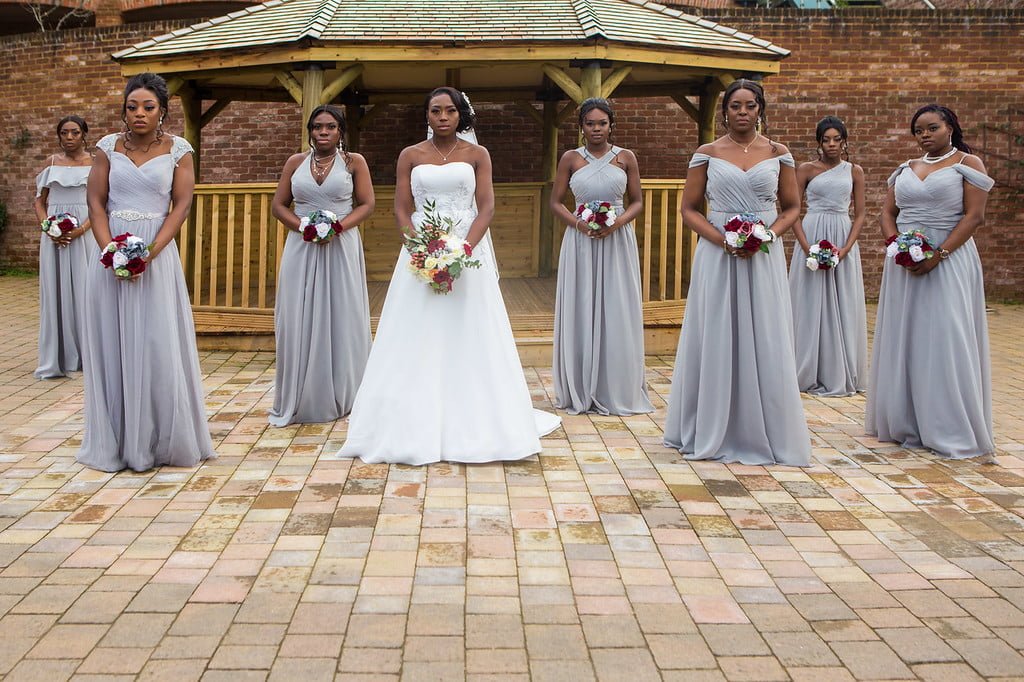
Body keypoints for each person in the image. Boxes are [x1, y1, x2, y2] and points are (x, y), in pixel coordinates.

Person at [338, 87, 561, 464]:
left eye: (450, 111)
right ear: (426, 115)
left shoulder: (477, 155)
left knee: (470, 328)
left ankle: (476, 415)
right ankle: (409, 416)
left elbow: (486, 207)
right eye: (435, 110)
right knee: (415, 330)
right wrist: (420, 250)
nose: (443, 117)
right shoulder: (411, 155)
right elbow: (401, 209)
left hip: (466, 252)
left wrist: (463, 250)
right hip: (421, 253)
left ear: (461, 116)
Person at [663, 79, 811, 466]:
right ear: (724, 110)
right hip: (717, 253)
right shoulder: (707, 154)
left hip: (763, 254)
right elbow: (690, 209)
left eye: (750, 106)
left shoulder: (779, 154)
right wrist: (722, 239)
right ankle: (712, 424)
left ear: (760, 109)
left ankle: (766, 427)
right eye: (735, 106)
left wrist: (766, 236)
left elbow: (792, 207)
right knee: (717, 330)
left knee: (765, 330)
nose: (742, 113)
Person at [77, 72, 215, 472]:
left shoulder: (179, 150)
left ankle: (159, 439)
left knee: (157, 342)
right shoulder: (106, 148)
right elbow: (96, 204)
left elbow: (181, 206)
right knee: (112, 342)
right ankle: (119, 440)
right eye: (132, 107)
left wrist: (148, 254)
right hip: (110, 256)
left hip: (156, 254)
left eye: (148, 107)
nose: (139, 114)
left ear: (162, 112)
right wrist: (110, 251)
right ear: (124, 111)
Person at [866, 104, 995, 461]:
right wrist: (896, 245)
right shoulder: (906, 169)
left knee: (945, 335)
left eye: (932, 127)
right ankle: (906, 419)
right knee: (906, 335)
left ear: (951, 127)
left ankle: (949, 422)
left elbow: (975, 216)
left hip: (948, 259)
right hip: (905, 262)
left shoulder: (968, 165)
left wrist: (939, 254)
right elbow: (887, 213)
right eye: (919, 130)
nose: (925, 134)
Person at [268, 105, 374, 426]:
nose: (323, 132)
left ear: (341, 131)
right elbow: (278, 205)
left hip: (340, 245)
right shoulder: (295, 163)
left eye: (330, 127)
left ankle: (344, 390)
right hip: (302, 246)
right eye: (317, 127)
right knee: (297, 313)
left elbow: (367, 204)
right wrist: (303, 227)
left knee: (342, 312)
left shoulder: (354, 163)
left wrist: (338, 227)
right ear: (310, 131)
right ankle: (301, 392)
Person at [550, 98, 654, 416]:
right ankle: (580, 385)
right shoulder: (570, 158)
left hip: (616, 238)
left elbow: (636, 201)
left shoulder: (626, 158)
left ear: (611, 125)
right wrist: (579, 223)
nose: (596, 129)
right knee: (581, 304)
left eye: (602, 123)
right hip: (580, 240)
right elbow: (556, 202)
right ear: (581, 126)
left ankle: (616, 384)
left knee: (617, 305)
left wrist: (617, 223)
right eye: (590, 123)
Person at [788, 116, 867, 397]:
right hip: (812, 232)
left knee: (842, 300)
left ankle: (839, 368)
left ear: (845, 141)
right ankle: (805, 366)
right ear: (818, 142)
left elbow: (860, 214)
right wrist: (806, 245)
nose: (831, 144)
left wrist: (846, 247)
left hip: (842, 235)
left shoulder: (854, 171)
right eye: (826, 139)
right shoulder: (806, 169)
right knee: (809, 300)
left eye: (837, 139)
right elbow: (793, 210)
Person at [33, 115, 96, 379]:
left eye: (75, 132)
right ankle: (57, 356)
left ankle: (87, 354)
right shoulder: (51, 163)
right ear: (59, 136)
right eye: (64, 133)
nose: (69, 138)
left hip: (86, 234)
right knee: (56, 292)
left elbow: (102, 204)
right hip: (54, 239)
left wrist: (80, 230)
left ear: (84, 134)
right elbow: (39, 202)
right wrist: (49, 228)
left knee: (86, 292)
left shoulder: (95, 163)